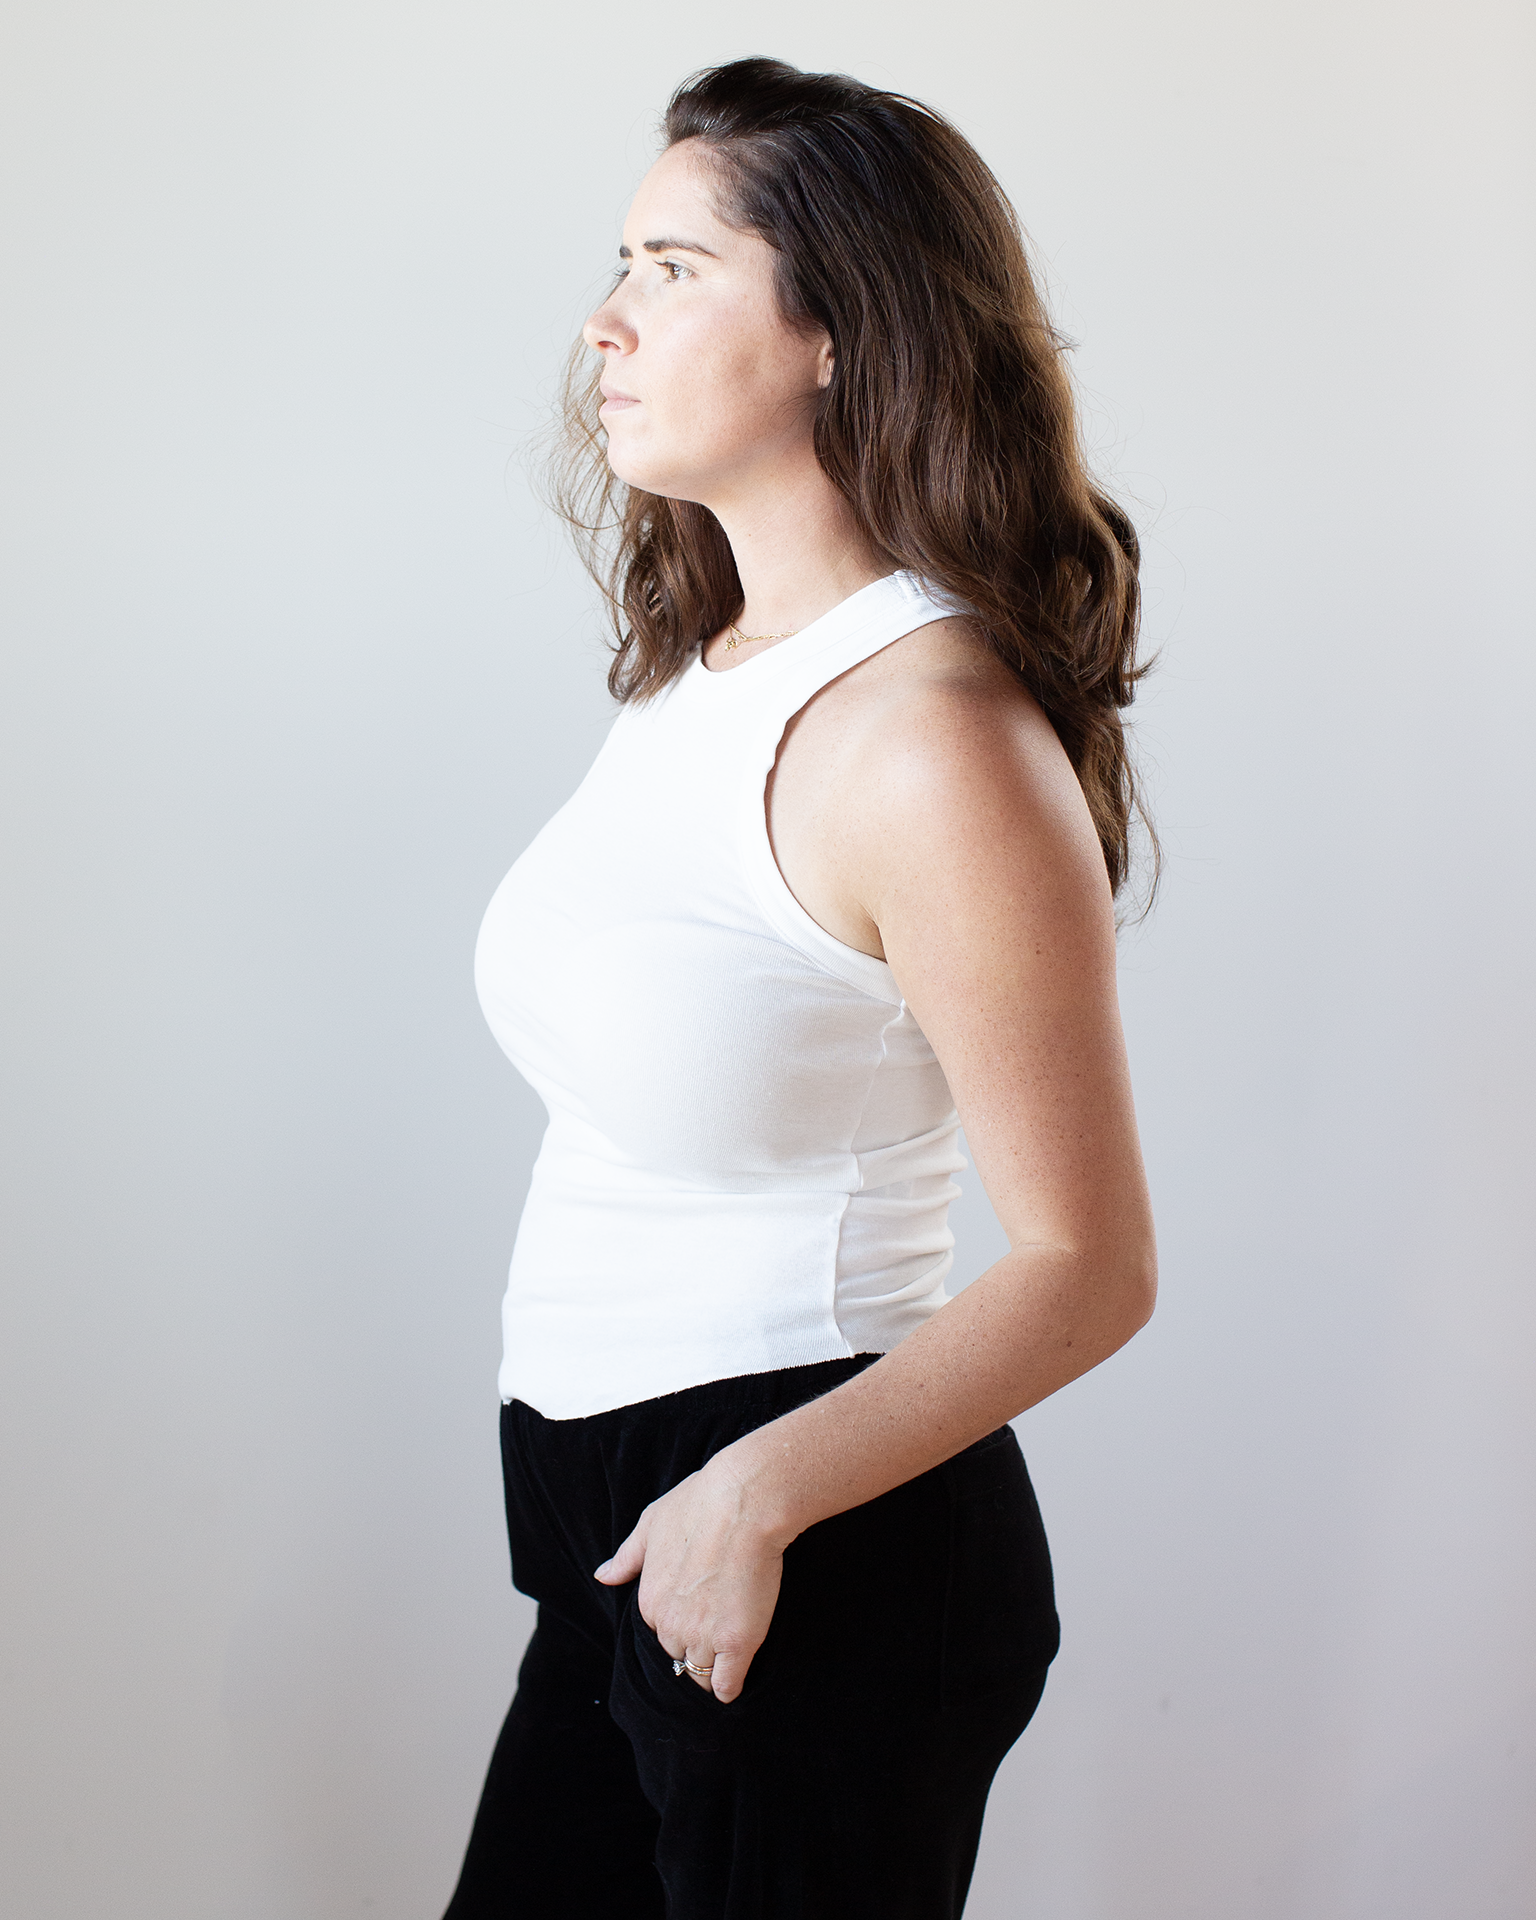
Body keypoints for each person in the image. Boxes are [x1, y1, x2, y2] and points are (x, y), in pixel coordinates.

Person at [443, 55, 1157, 1920]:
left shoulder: (931, 742)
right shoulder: (705, 669)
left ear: (843, 325)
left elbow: (1087, 1265)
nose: (605, 321)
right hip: (620, 1543)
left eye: (673, 268)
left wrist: (753, 1498)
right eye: (620, 261)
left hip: (811, 1552)